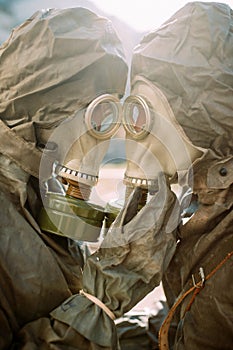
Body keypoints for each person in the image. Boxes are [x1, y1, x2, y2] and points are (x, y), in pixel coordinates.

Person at [0, 6, 179, 350]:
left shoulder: (36, 181)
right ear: (42, 106)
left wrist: (160, 327)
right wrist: (103, 298)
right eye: (95, 120)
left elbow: (56, 310)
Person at [122, 1, 233, 349]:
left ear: (208, 115)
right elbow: (180, 316)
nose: (137, 132)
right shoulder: (198, 202)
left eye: (152, 110)